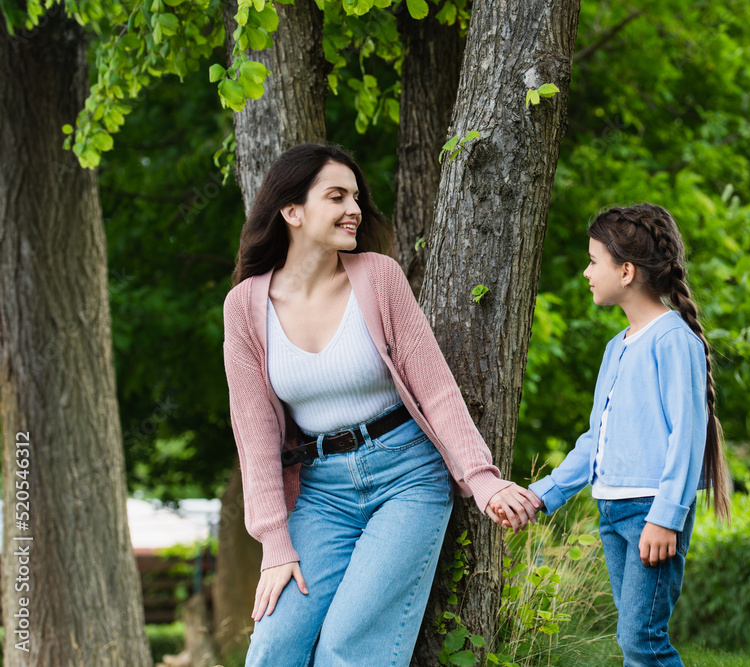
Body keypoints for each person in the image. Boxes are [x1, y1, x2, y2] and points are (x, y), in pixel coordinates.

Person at [221, 142, 540, 667]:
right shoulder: (246, 307)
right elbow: (254, 436)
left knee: (349, 646)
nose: (355, 209)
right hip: (321, 493)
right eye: (337, 196)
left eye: (357, 197)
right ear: (292, 211)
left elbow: (435, 388)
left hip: (407, 479)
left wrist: (481, 478)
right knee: (273, 649)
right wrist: (274, 544)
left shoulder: (378, 277)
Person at [518, 203, 732, 666]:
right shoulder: (617, 347)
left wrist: (666, 515)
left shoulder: (673, 340)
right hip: (611, 509)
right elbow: (596, 439)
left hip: (649, 511)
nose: (586, 272)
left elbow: (688, 437)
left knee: (642, 640)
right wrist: (543, 494)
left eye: (594, 261)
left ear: (627, 270)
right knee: (632, 638)